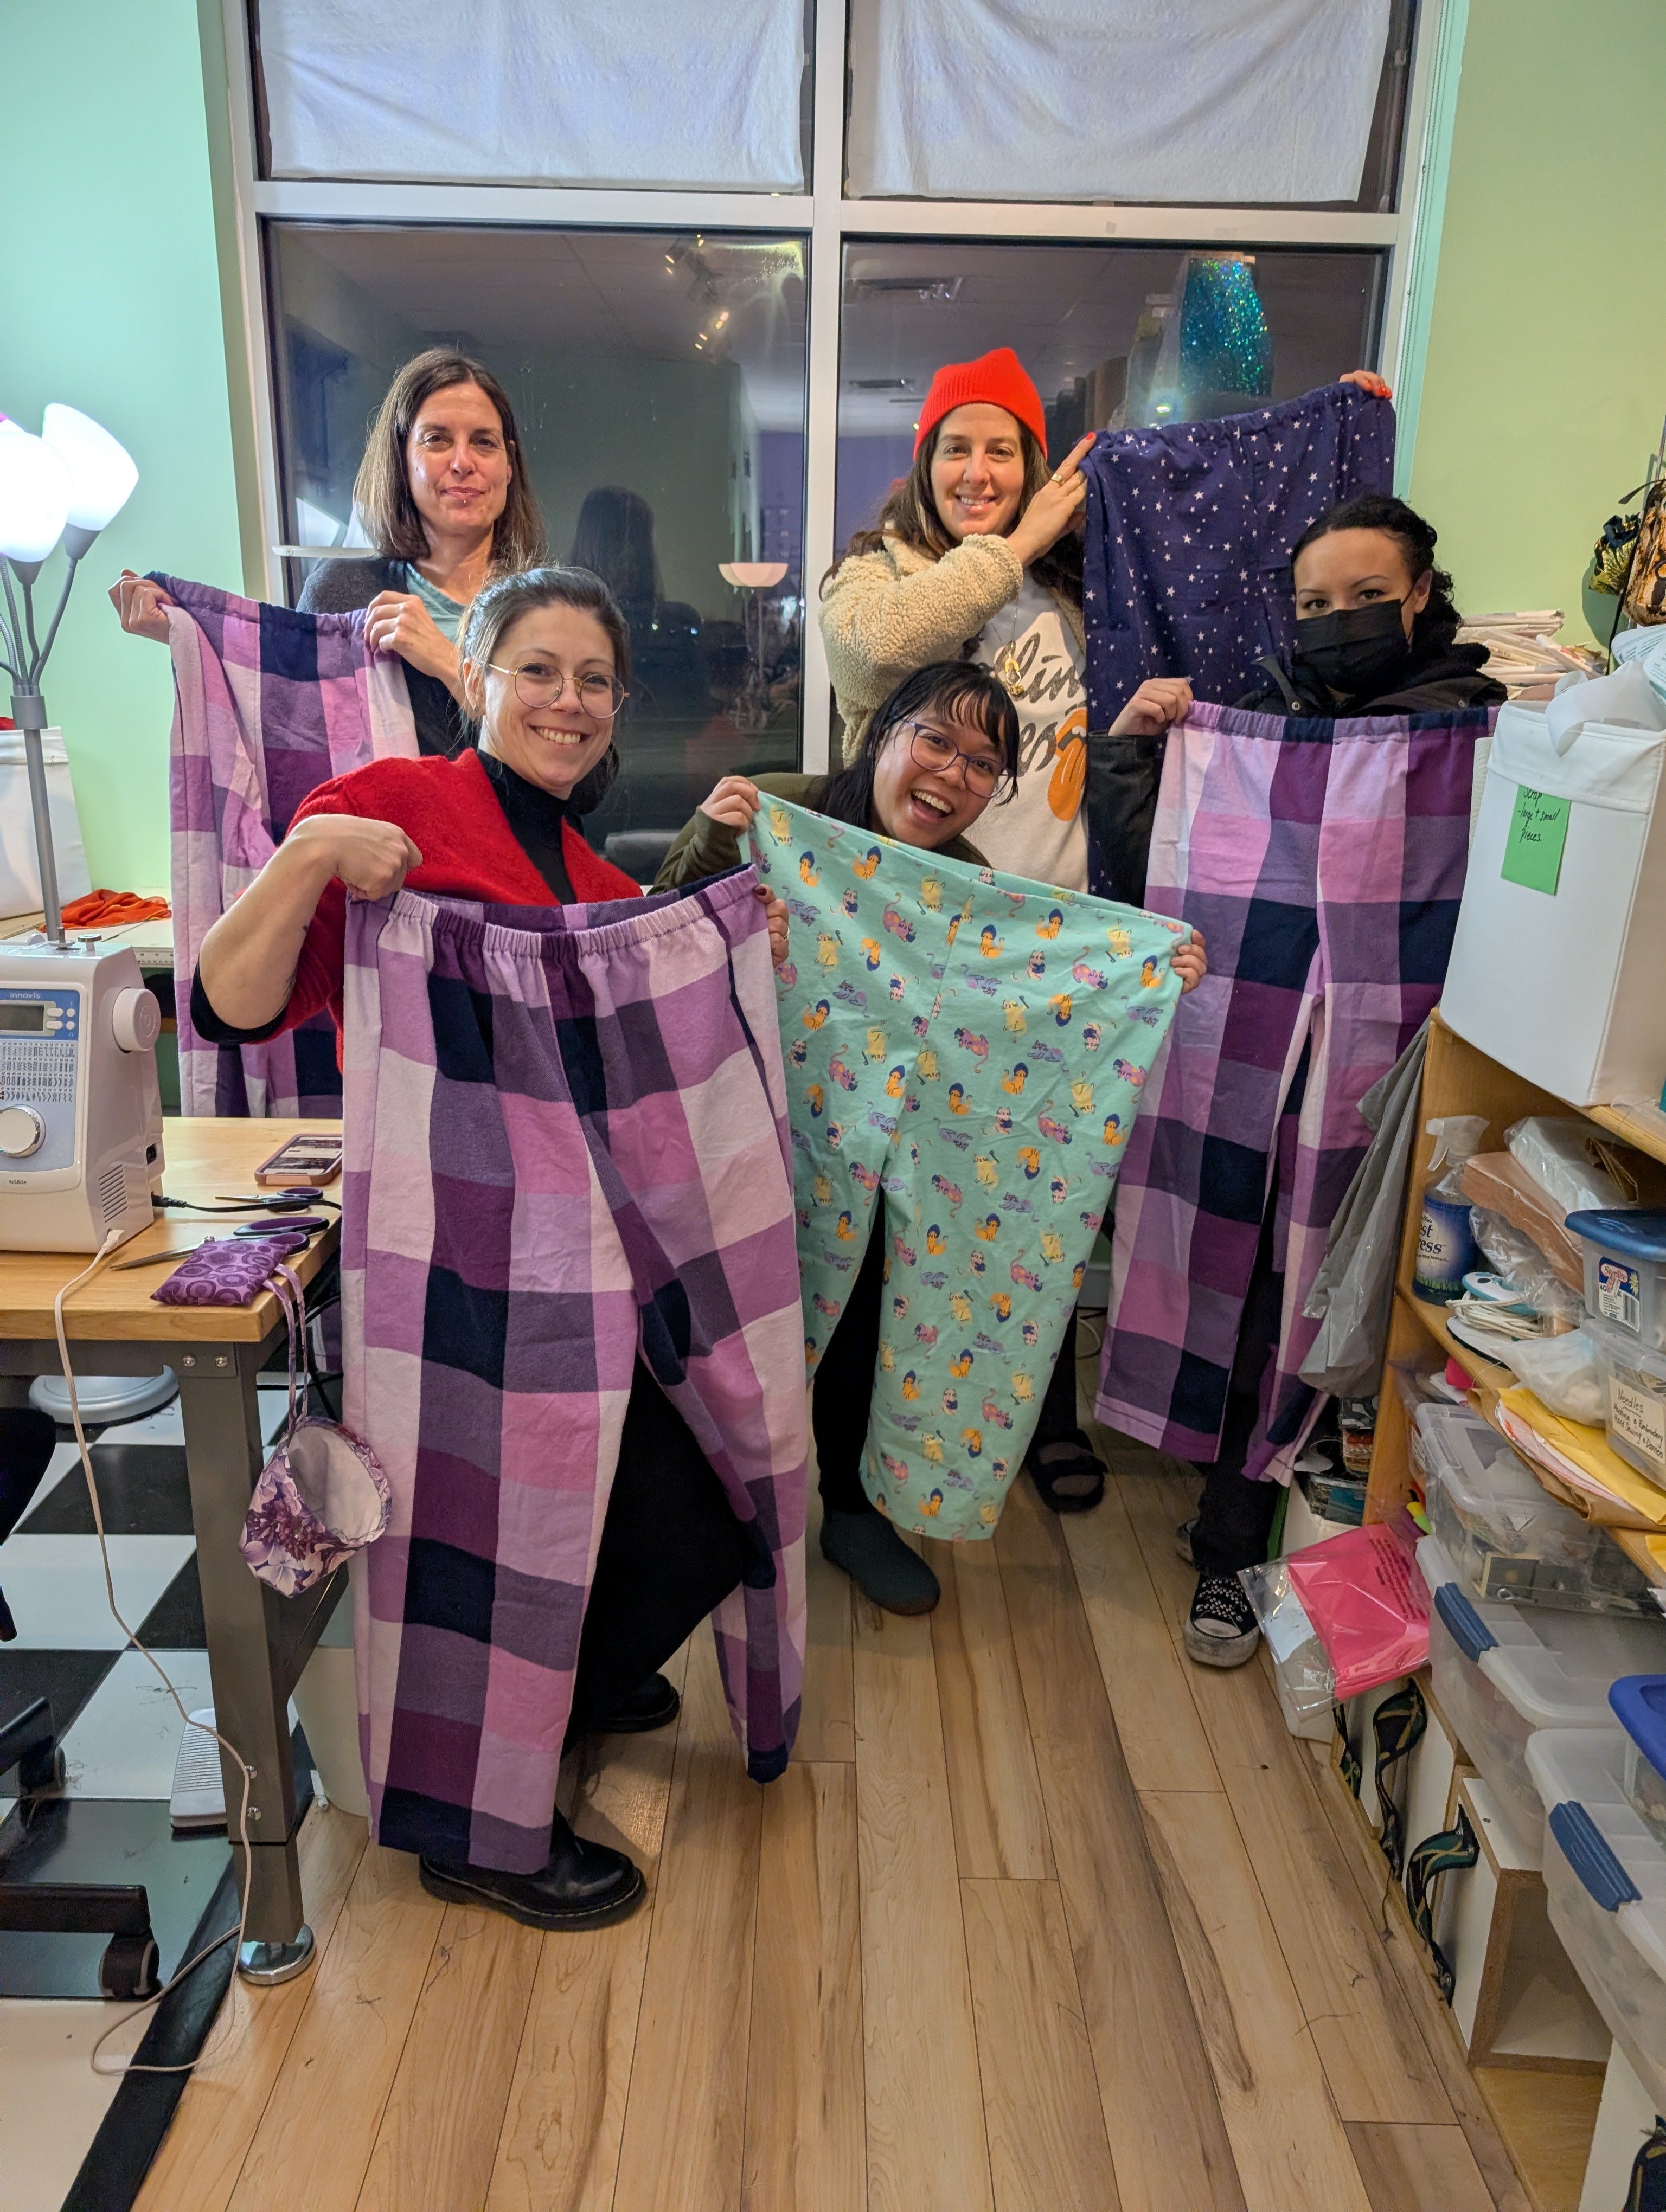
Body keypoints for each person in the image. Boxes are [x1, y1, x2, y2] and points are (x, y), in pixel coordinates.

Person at [191, 566, 787, 1932]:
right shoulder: (390, 805)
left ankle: (557, 1684)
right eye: (539, 670)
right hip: (449, 1261)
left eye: (594, 680)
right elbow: (229, 1005)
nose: (567, 701)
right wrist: (307, 857)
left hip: (583, 1260)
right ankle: (473, 1830)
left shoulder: (593, 879)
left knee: (697, 1506)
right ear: (479, 677)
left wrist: (734, 930)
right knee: (474, 1532)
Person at [657, 661, 1206, 1614]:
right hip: (757, 1111)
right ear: (885, 733)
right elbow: (649, 929)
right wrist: (713, 839)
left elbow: (1035, 1011)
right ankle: (707, 1514)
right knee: (733, 1310)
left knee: (877, 1300)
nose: (954, 774)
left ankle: (855, 1509)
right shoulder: (780, 810)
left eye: (983, 763)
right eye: (936, 741)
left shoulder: (977, 892)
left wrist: (1150, 972)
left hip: (890, 1138)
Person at [819, 345, 1264, 1512]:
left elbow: (1076, 737)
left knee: (1039, 1178)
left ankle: (1037, 1411)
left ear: (1035, 463)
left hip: (1048, 938)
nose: (978, 470)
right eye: (956, 448)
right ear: (924, 462)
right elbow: (873, 655)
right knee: (900, 1196)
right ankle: (870, 1445)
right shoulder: (878, 573)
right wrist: (1008, 547)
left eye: (1003, 450)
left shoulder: (1077, 586)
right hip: (918, 935)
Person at [1180, 491, 1505, 1671]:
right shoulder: (1269, 722)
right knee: (1258, 1284)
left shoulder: (1476, 730)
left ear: (1420, 596)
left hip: (1414, 1064)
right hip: (1276, 1057)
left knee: (1367, 1302)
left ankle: (1327, 1561)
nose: (1338, 621)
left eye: (1367, 597)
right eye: (1315, 604)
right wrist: (1149, 740)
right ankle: (1230, 1539)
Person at [111, 348, 548, 759]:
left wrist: (449, 664)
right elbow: (287, 724)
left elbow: (575, 774)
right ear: (401, 459)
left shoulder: (551, 610)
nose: (463, 463)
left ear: (509, 464)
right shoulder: (344, 592)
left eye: (484, 442)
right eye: (437, 440)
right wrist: (188, 632)